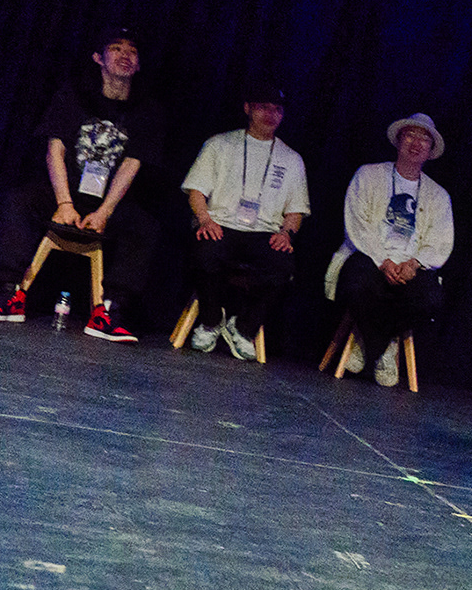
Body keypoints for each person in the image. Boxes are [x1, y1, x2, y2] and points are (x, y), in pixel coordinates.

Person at [0, 26, 164, 342]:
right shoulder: (74, 95)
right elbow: (55, 150)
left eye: (132, 51)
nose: (125, 55)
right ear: (98, 58)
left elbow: (132, 164)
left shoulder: (148, 110)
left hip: (107, 200)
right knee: (18, 201)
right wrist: (64, 203)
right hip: (65, 191)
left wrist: (105, 212)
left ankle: (111, 310)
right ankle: (8, 292)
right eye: (116, 48)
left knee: (144, 226)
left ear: (139, 64)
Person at [179, 85, 309, 359]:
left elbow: (296, 211)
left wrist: (287, 234)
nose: (270, 114)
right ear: (248, 108)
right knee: (205, 251)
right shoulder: (220, 144)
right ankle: (211, 320)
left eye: (277, 109)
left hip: (264, 231)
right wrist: (204, 220)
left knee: (283, 265)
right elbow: (196, 191)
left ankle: (243, 328)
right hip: (221, 223)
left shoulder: (291, 159)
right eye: (263, 107)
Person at [325, 113, 454, 386]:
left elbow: (440, 241)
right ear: (398, 140)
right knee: (357, 284)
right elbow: (356, 223)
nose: (416, 143)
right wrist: (383, 261)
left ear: (431, 150)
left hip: (409, 266)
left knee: (430, 300)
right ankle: (383, 346)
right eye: (410, 135)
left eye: (424, 139)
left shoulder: (438, 195)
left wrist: (414, 263)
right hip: (371, 256)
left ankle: (368, 341)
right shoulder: (369, 174)